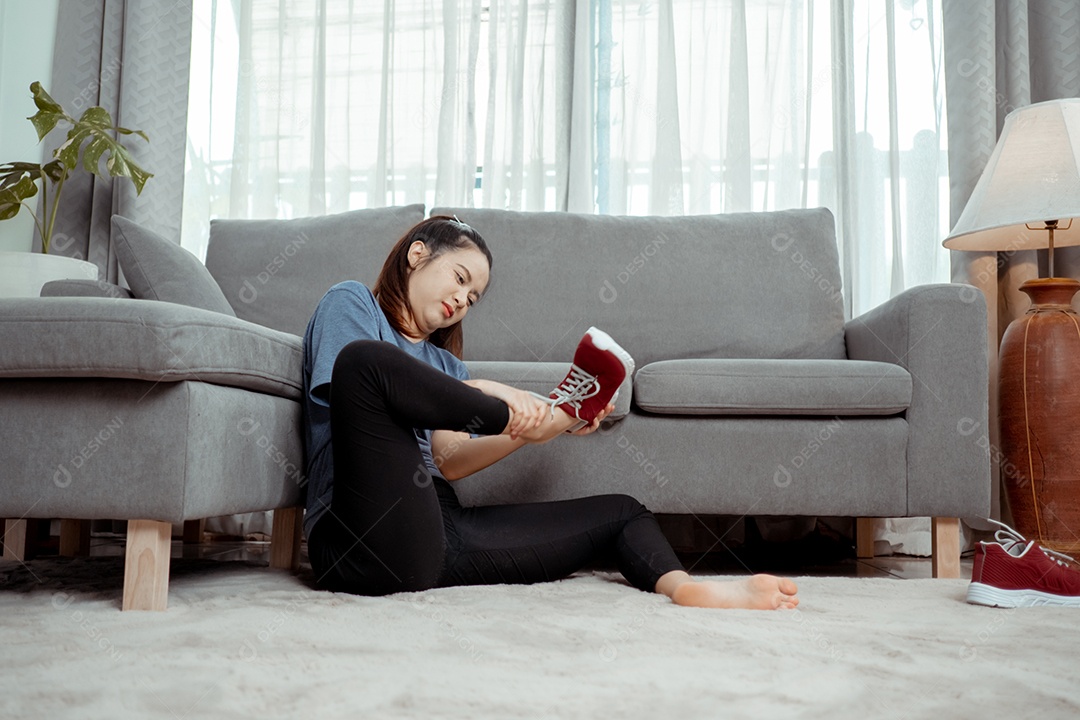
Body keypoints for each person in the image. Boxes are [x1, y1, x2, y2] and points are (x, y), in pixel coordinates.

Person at [301, 215, 799, 610]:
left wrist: (529, 431)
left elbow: (450, 459)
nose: (462, 299)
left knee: (623, 511)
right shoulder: (353, 304)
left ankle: (686, 590)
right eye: (459, 278)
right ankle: (553, 409)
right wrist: (496, 391)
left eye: (473, 297)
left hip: (430, 539)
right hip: (356, 534)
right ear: (417, 254)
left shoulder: (447, 364)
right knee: (367, 362)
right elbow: (359, 380)